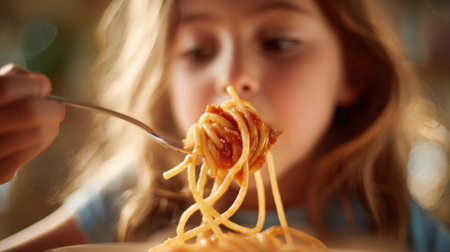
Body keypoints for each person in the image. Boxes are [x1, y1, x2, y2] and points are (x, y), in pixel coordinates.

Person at [0, 0, 449, 251]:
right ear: (164, 81)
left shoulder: (391, 217)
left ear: (351, 73)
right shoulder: (131, 201)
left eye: (279, 42)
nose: (232, 76)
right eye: (198, 50)